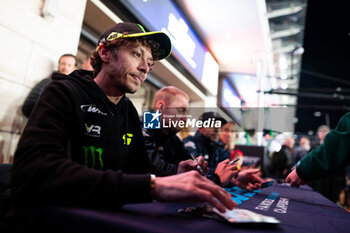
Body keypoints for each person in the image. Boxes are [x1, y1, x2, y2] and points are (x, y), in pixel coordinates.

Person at [11, 22, 235, 222]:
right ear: (105, 52)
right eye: (137, 54)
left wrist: (177, 171)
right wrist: (151, 186)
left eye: (150, 63)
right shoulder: (62, 92)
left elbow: (138, 169)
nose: (145, 68)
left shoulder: (127, 110)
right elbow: (35, 172)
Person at [183, 112, 262, 188]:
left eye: (219, 126)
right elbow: (196, 172)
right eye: (212, 125)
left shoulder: (217, 148)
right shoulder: (190, 142)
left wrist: (238, 178)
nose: (217, 129)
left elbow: (224, 173)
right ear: (200, 128)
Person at [143, 86, 206, 176]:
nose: (185, 118)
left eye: (187, 112)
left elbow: (191, 164)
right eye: (181, 110)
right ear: (161, 107)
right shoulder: (139, 128)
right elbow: (156, 168)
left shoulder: (172, 138)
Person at [286, 113, 350, 188]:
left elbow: (337, 147)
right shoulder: (314, 145)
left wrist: (302, 170)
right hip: (319, 180)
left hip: (332, 180)